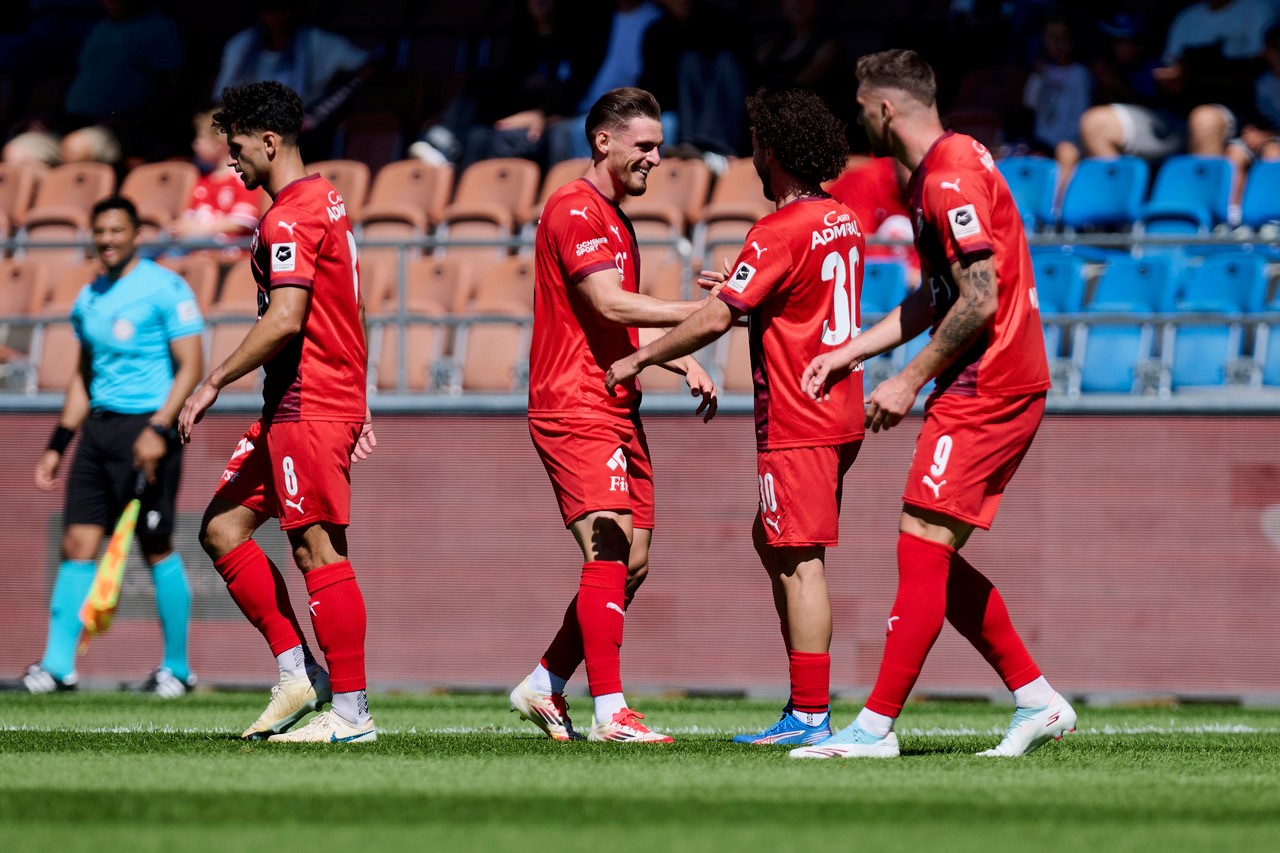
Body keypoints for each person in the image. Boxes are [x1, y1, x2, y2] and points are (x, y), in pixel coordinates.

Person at [794, 49, 1075, 759]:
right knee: (929, 554)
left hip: (991, 381)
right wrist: (853, 351)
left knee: (920, 545)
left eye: (863, 108)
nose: (859, 120)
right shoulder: (949, 163)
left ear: (886, 108)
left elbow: (979, 297)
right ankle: (1036, 699)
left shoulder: (947, 180)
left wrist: (908, 380)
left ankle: (875, 727)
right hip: (985, 377)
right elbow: (939, 295)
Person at [605, 87, 863, 746]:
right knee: (772, 539)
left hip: (797, 415)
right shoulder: (841, 218)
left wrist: (642, 359)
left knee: (799, 560)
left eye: (755, 145)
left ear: (771, 151)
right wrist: (745, 291)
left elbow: (718, 320)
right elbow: (799, 298)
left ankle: (809, 714)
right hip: (840, 409)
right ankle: (805, 701)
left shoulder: (776, 230)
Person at [510, 87, 718, 744]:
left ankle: (546, 680)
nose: (656, 158)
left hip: (617, 401)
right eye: (644, 145)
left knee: (634, 560)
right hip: (573, 400)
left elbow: (615, 322)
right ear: (603, 141)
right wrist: (707, 311)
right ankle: (611, 711)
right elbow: (608, 301)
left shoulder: (616, 220)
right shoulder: (573, 208)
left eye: (659, 146)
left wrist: (680, 360)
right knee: (609, 543)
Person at [177, 81, 378, 744]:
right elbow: (357, 304)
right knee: (223, 528)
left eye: (237, 147)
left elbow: (288, 316)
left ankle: (352, 713)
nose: (230, 160)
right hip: (303, 399)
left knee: (317, 547)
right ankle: (298, 673)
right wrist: (361, 396)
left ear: (269, 142)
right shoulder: (327, 199)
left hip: (308, 399)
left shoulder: (288, 216)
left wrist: (212, 380)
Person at [24, 195, 204, 697]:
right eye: (99, 231)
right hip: (98, 433)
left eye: (116, 231)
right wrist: (58, 444)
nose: (106, 240)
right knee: (77, 543)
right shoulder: (89, 298)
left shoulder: (166, 289)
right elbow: (85, 377)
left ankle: (178, 670)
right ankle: (57, 668)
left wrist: (159, 428)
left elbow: (191, 365)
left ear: (135, 235)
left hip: (147, 429)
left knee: (155, 544)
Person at [167, 108, 264, 253]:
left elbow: (241, 222)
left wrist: (199, 231)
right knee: (158, 242)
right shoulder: (203, 180)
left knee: (173, 252)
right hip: (197, 245)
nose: (195, 144)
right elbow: (189, 215)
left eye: (200, 138)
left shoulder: (242, 178)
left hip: (227, 248)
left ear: (219, 145)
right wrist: (179, 228)